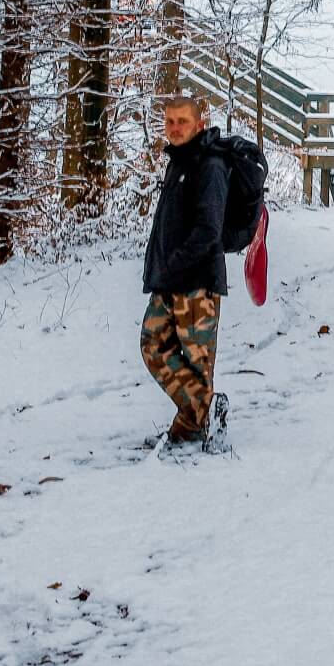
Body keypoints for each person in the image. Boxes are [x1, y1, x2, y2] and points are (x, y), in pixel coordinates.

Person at [141, 93, 230, 449]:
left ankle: (192, 427)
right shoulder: (178, 162)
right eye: (170, 121)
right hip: (170, 280)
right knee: (152, 346)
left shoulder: (210, 165)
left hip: (196, 284)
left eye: (182, 121)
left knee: (196, 363)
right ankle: (201, 412)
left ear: (199, 124)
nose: (175, 128)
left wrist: (176, 263)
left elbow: (209, 229)